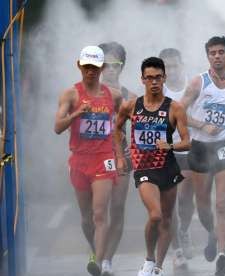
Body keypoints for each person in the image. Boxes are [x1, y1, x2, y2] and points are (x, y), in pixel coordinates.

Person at [114, 57, 190, 276]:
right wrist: (120, 157)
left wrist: (171, 145)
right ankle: (149, 259)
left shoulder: (174, 108)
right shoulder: (131, 106)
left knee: (166, 219)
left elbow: (187, 141)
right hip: (144, 168)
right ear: (142, 79)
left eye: (158, 77)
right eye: (149, 78)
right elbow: (116, 129)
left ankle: (158, 266)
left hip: (168, 168)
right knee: (155, 215)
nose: (154, 82)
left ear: (164, 78)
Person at [181, 36, 225, 276]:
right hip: (201, 147)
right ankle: (211, 232)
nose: (217, 56)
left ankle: (222, 254)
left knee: (223, 203)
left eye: (221, 52)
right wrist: (201, 125)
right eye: (212, 53)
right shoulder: (199, 82)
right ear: (207, 56)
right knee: (204, 205)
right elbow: (179, 112)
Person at [54, 45, 122, 276]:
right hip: (80, 160)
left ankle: (99, 261)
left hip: (104, 159)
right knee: (86, 219)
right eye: (86, 67)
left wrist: (122, 152)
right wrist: (76, 114)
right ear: (79, 66)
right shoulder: (70, 95)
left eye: (95, 67)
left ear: (102, 68)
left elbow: (121, 123)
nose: (90, 71)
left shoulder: (114, 95)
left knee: (100, 213)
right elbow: (57, 127)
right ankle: (95, 249)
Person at [98, 41, 137, 275]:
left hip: (120, 157)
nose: (111, 69)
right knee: (96, 212)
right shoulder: (86, 94)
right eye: (106, 64)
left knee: (117, 208)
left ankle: (106, 261)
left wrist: (134, 148)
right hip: (95, 158)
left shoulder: (128, 96)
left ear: (122, 67)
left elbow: (142, 128)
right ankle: (98, 251)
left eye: (116, 64)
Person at [158, 48, 195, 270]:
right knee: (168, 204)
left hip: (188, 149)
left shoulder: (192, 85)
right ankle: (177, 250)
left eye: (174, 66)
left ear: (181, 65)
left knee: (186, 199)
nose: (171, 71)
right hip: (165, 151)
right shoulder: (155, 89)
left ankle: (184, 229)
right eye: (166, 67)